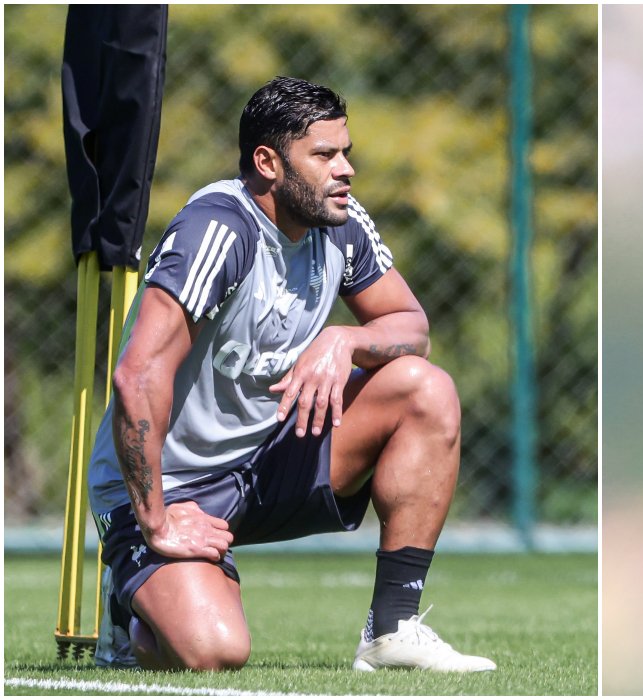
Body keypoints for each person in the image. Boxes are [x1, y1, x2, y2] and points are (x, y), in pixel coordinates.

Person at [87, 76, 495, 673]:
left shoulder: (343, 225)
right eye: (325, 155)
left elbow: (412, 326)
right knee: (213, 650)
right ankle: (133, 609)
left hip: (264, 461)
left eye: (346, 151)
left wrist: (347, 338)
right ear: (268, 163)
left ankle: (392, 628)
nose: (346, 169)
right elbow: (136, 377)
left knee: (424, 389)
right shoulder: (219, 230)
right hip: (164, 488)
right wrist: (155, 519)